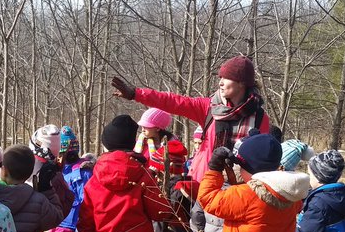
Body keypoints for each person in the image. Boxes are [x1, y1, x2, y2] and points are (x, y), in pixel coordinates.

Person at [112, 55, 272, 183]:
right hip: (204, 185)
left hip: (238, 189)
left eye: (226, 78)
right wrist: (136, 94)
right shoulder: (209, 108)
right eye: (220, 77)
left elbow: (260, 159)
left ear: (242, 83)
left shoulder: (259, 118)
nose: (220, 83)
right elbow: (173, 101)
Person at [41, 126, 92, 232]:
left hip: (71, 221)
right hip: (58, 216)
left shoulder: (83, 170)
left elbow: (86, 198)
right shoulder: (58, 168)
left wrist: (82, 222)